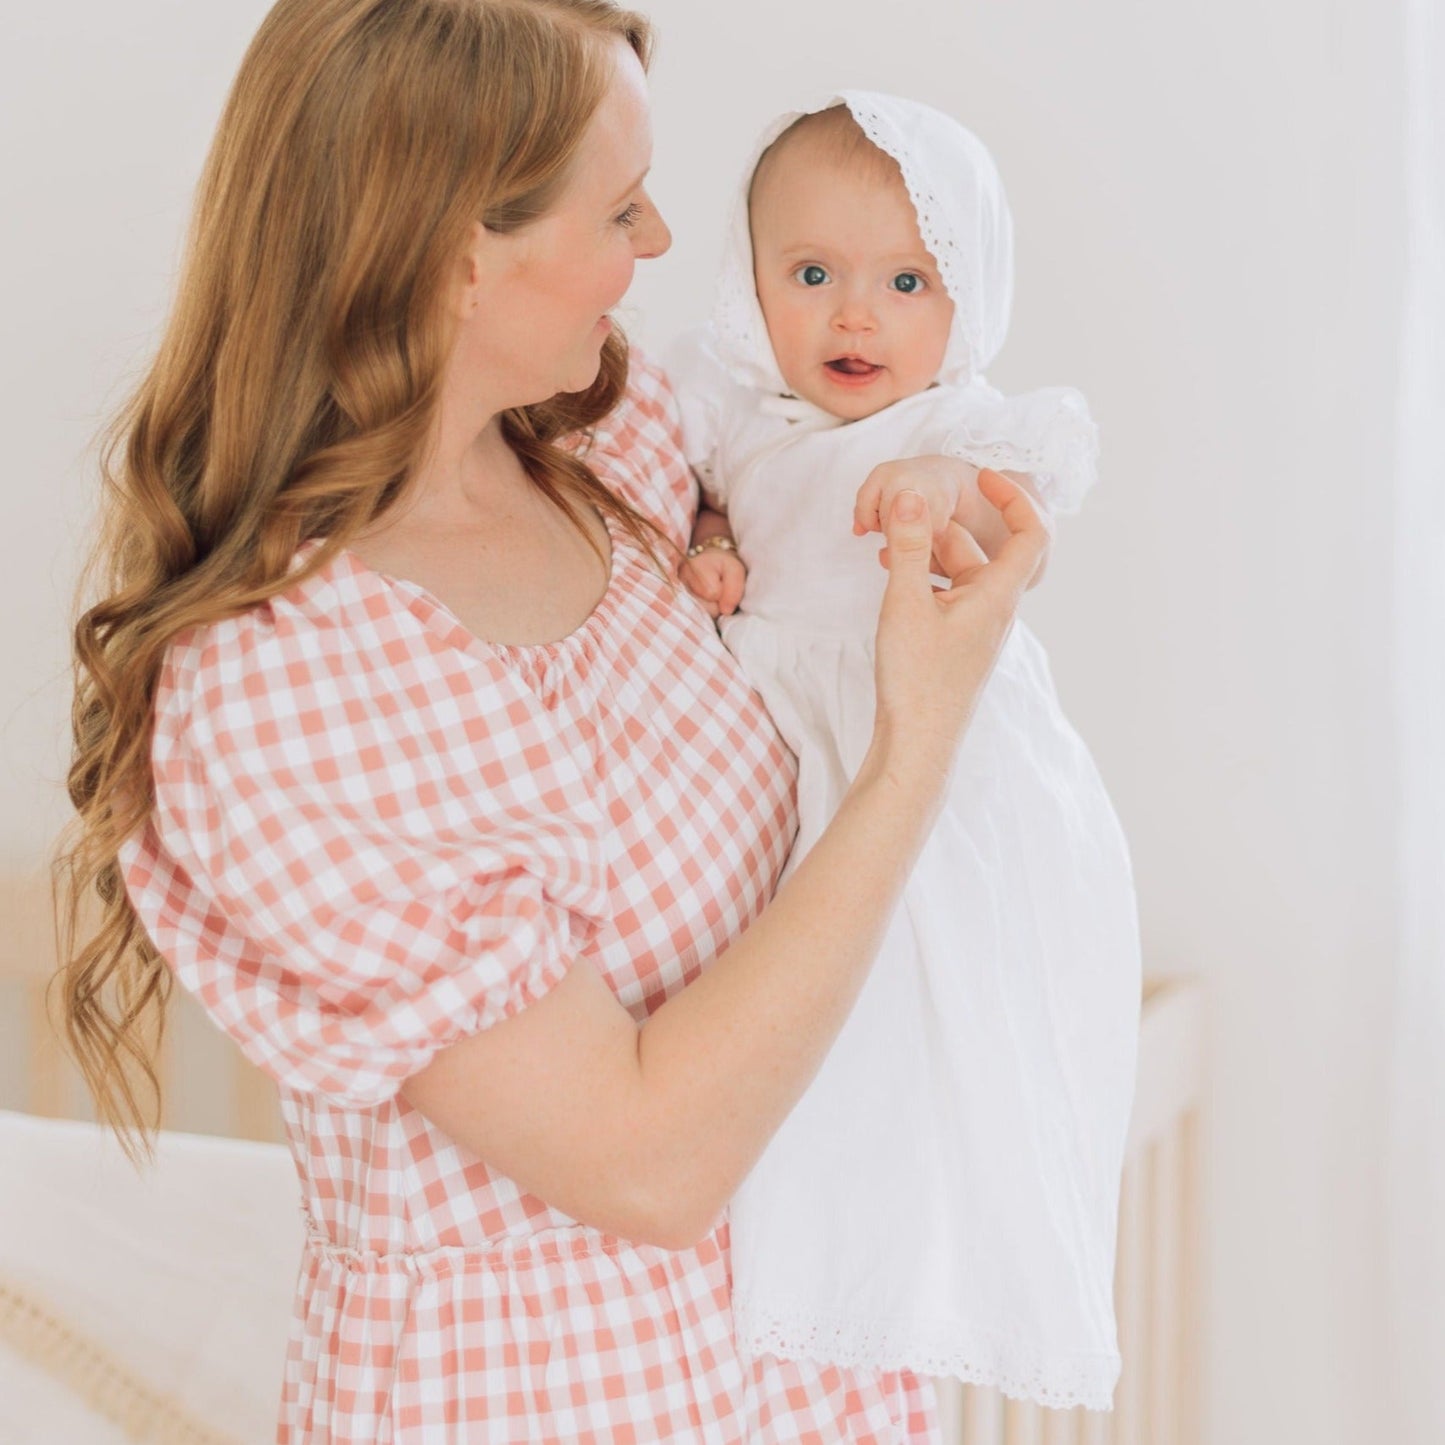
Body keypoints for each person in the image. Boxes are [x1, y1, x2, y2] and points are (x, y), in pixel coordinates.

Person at [53, 5, 1049, 1442]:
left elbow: (887, 477)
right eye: (617, 204)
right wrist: (914, 753)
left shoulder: (610, 448)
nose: (655, 243)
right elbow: (646, 1161)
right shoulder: (288, 682)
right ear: (457, 247)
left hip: (781, 1375)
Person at [665, 94, 1142, 1411]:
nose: (852, 315)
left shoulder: (957, 429)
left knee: (944, 1013)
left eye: (904, 280)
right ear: (747, 277)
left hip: (927, 754)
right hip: (789, 753)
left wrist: (933, 502)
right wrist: (705, 536)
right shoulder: (731, 409)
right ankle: (809, 1273)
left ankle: (917, 1279)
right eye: (809, 274)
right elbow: (695, 493)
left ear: (966, 293)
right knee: (805, 1044)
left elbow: (1014, 525)